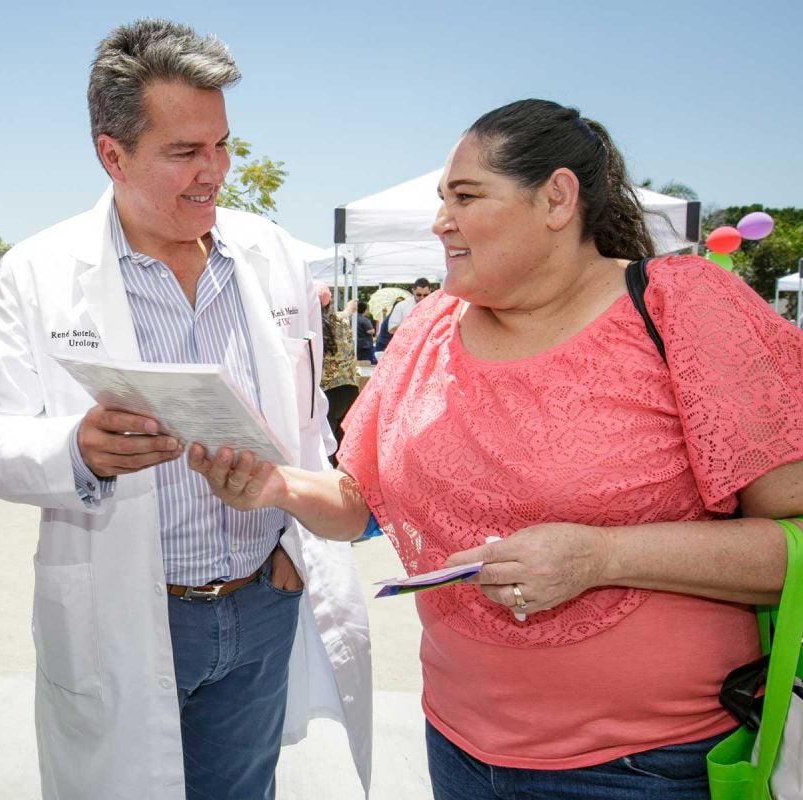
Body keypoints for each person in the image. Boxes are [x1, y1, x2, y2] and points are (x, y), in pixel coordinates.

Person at [189, 98, 803, 799]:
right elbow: (359, 504)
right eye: (441, 200)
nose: (440, 221)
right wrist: (274, 487)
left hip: (646, 767)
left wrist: (602, 558)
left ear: (557, 199)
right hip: (459, 749)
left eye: (466, 196)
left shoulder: (680, 306)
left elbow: (795, 540)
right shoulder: (427, 329)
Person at [0, 18, 371, 800]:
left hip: (259, 602)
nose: (213, 172)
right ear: (112, 154)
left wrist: (290, 546)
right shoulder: (38, 271)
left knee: (244, 789)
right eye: (184, 152)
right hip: (125, 609)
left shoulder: (272, 256)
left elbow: (308, 424)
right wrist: (74, 450)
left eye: (221, 145)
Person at [318, 282, 358, 463]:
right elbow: (346, 313)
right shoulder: (340, 321)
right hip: (349, 389)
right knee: (344, 450)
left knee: (326, 449)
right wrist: (350, 306)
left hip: (326, 393)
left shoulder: (309, 325)